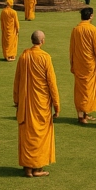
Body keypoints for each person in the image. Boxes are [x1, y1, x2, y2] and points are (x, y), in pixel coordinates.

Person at [14, 30, 60, 177]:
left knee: (28, 134)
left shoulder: (24, 56)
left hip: (26, 103)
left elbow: (17, 80)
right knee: (40, 135)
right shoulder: (45, 58)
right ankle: (37, 169)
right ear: (42, 42)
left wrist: (16, 101)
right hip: (41, 104)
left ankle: (28, 169)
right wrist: (57, 105)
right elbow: (52, 84)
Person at [69, 7, 96, 124]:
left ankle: (81, 114)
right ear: (91, 16)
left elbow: (71, 49)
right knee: (89, 89)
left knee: (79, 89)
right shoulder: (93, 30)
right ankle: (85, 114)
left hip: (78, 64)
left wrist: (72, 64)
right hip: (90, 65)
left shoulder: (75, 30)